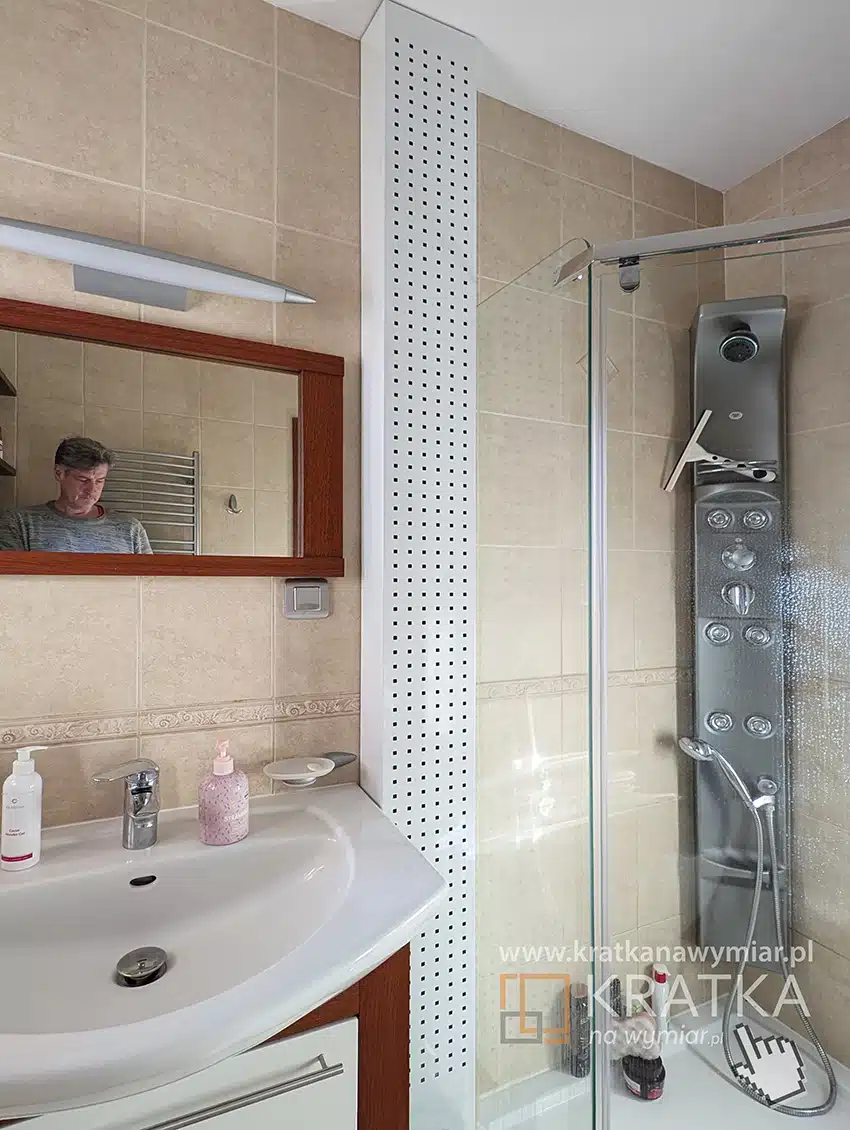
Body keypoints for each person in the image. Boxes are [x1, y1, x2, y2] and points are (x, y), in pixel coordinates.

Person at [0, 436, 152, 553]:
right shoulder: (20, 523)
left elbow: (151, 583)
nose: (92, 489)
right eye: (83, 480)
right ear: (59, 473)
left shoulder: (131, 529)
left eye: (99, 481)